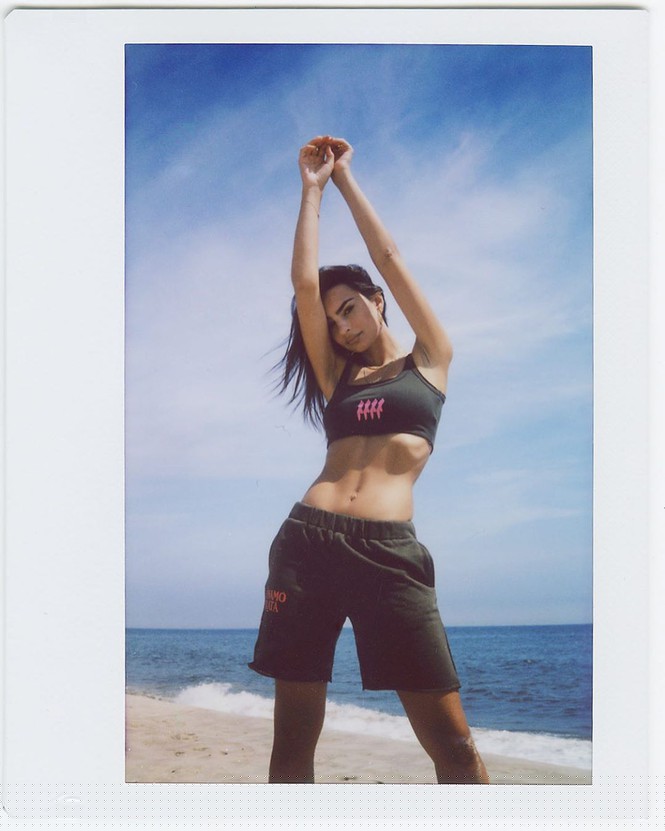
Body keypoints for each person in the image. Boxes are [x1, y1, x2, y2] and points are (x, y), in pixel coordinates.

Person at [249, 135, 489, 785]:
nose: (344, 326)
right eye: (333, 321)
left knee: (455, 748)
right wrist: (310, 190)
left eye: (350, 308)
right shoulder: (338, 378)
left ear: (376, 299)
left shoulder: (429, 359)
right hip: (306, 544)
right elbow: (304, 285)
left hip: (389, 555)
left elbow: (389, 256)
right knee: (292, 743)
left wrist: (345, 179)